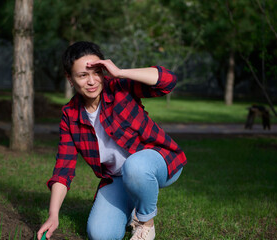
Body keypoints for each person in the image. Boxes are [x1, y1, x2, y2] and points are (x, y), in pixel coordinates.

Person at [37, 41, 187, 240]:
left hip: (158, 163)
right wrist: (53, 214)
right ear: (70, 78)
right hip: (118, 178)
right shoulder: (70, 115)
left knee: (135, 167)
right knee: (100, 235)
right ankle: (133, 205)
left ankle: (145, 223)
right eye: (83, 75)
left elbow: (168, 81)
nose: (92, 81)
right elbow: (63, 169)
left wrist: (120, 72)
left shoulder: (119, 88)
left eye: (97, 72)